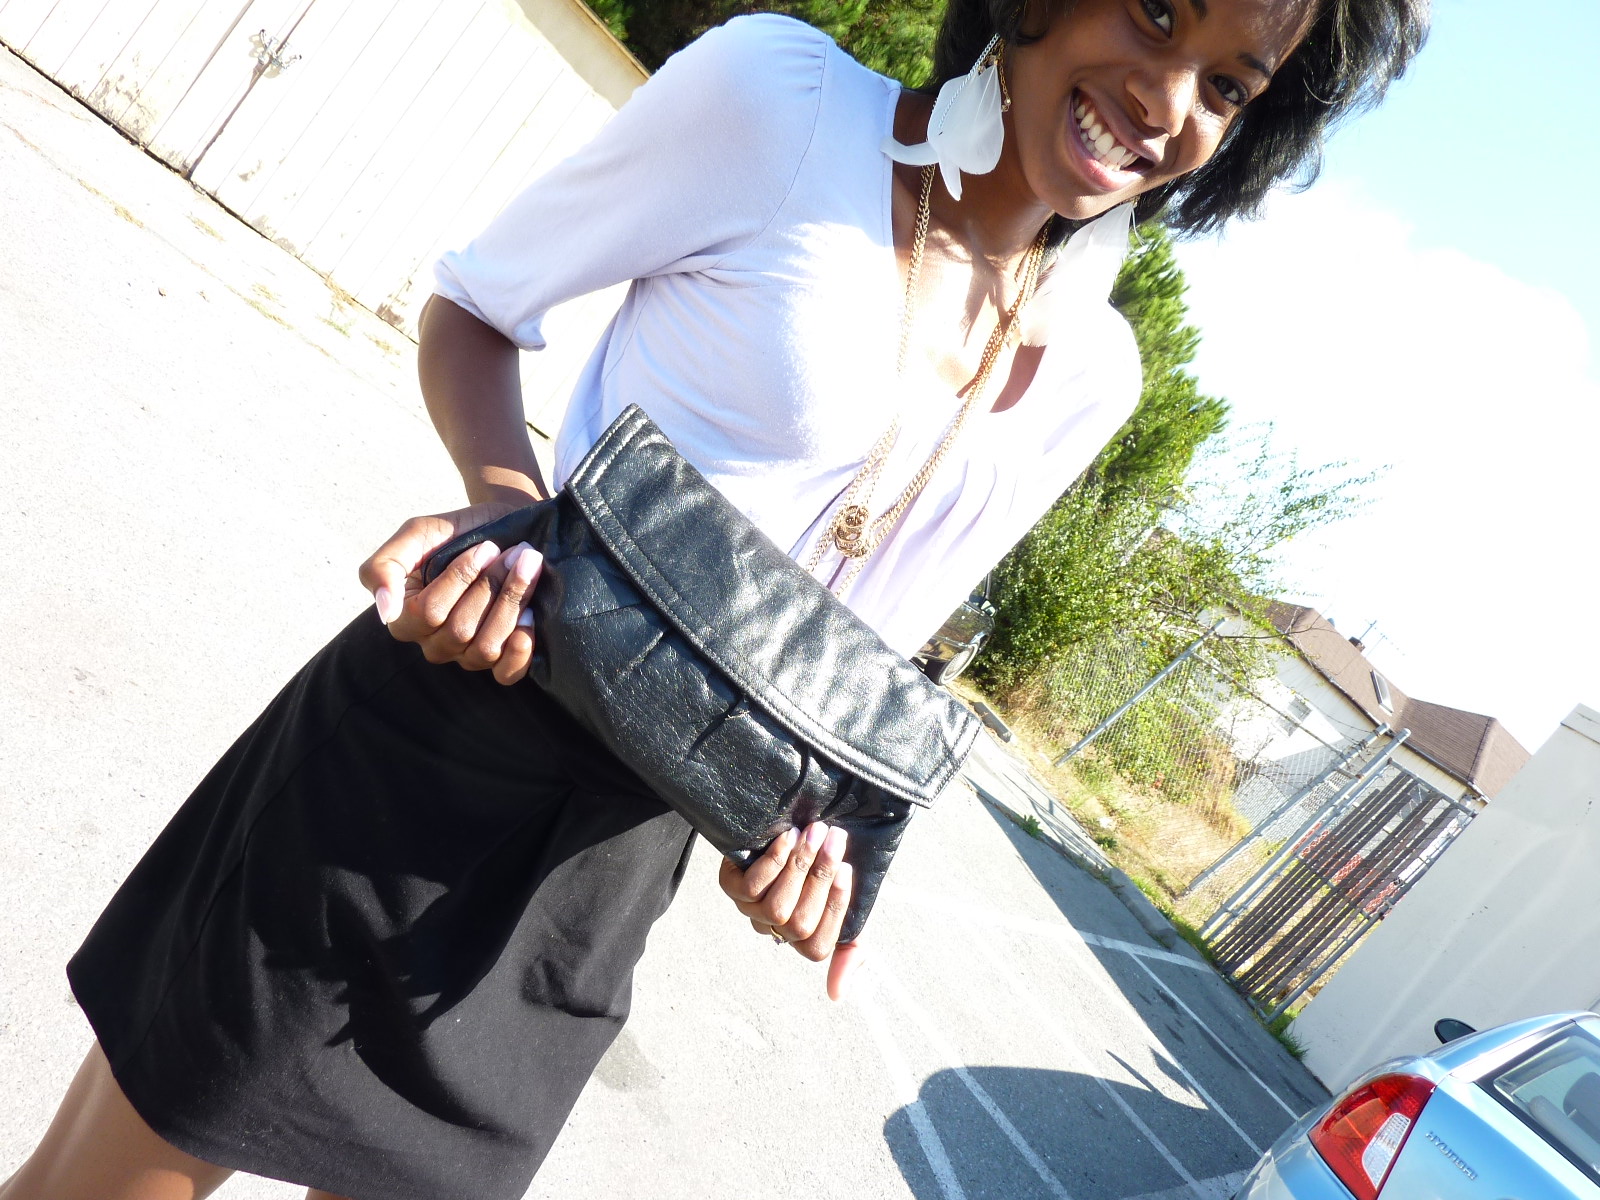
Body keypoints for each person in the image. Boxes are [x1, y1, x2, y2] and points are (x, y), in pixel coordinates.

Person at [1, 0, 1427, 1197]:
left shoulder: (1095, 378)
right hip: (420, 752)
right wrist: (501, 510)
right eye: (1161, 13)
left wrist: (798, 835)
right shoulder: (781, 101)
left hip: (602, 883)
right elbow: (477, 308)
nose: (1169, 101)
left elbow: (851, 657)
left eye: (1230, 87)